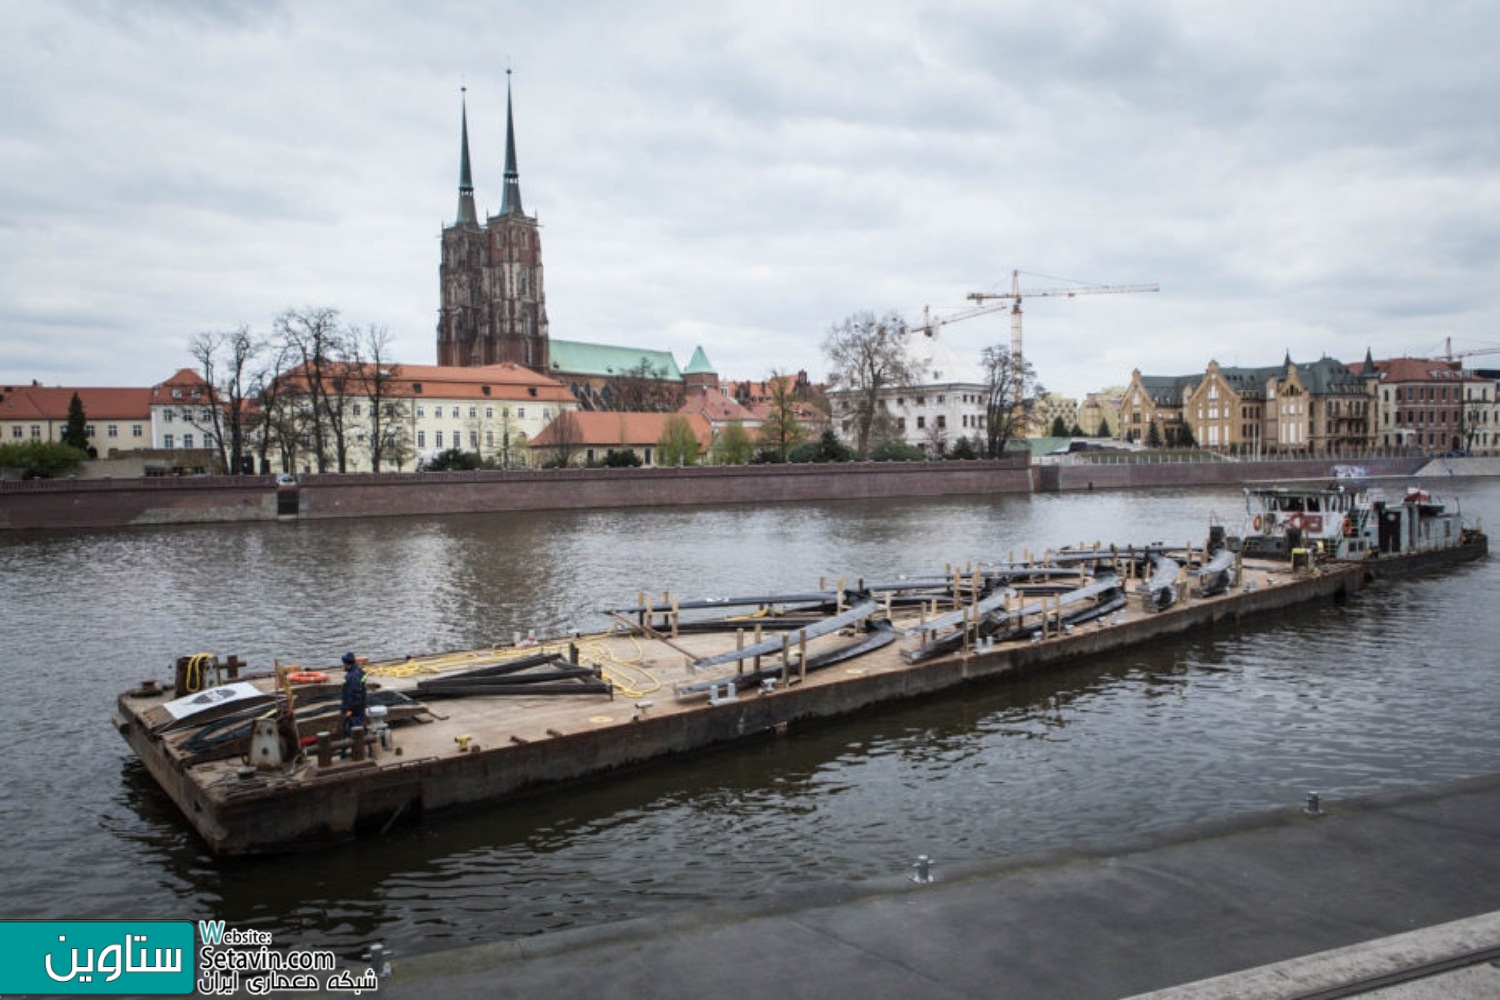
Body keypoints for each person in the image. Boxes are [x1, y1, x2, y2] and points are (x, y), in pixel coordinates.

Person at [340, 652, 367, 737]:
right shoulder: (359, 671)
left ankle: (357, 743)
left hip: (354, 708)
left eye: (343, 663)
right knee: (358, 723)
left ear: (347, 664)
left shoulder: (352, 676)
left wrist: (348, 709)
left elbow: (354, 694)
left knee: (352, 727)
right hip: (360, 705)